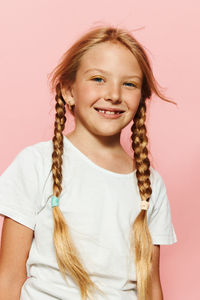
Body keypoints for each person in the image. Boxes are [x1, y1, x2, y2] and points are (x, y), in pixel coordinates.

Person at [0, 25, 177, 300]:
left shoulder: (150, 184)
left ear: (141, 99)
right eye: (98, 79)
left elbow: (151, 286)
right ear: (69, 91)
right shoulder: (35, 164)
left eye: (129, 83)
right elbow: (9, 278)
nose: (114, 94)